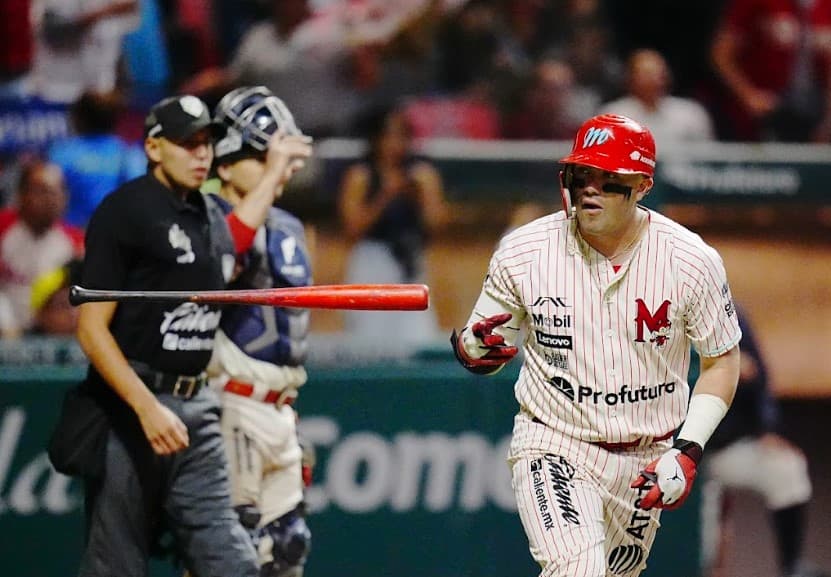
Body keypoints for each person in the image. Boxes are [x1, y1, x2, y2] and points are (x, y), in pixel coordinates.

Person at [450, 113, 742, 577]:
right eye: (581, 175)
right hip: (555, 440)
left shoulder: (691, 260)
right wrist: (473, 348)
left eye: (609, 180)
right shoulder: (524, 251)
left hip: (646, 454)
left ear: (642, 185)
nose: (590, 188)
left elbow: (721, 362)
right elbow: (479, 348)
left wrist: (688, 450)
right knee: (577, 570)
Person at [48, 93, 312, 577]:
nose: (201, 153)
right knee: (118, 563)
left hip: (199, 410)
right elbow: (91, 329)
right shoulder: (125, 211)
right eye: (186, 143)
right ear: (153, 148)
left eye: (206, 142)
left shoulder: (209, 216)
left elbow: (233, 253)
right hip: (134, 405)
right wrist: (146, 407)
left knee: (235, 560)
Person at [205, 85, 314, 577]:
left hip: (279, 406)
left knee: (287, 548)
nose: (280, 168)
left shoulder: (289, 225)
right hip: (228, 402)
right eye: (262, 156)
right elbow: (222, 263)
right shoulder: (202, 216)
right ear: (225, 163)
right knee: (232, 551)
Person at [703, 305, 829, 577]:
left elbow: (758, 376)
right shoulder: (659, 319)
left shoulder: (730, 315)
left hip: (726, 447)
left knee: (785, 467)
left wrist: (766, 428)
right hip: (676, 457)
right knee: (705, 544)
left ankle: (792, 565)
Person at [336, 104, 450, 345]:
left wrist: (424, 194)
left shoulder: (421, 174)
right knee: (368, 337)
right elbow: (352, 229)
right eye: (389, 135)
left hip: (409, 259)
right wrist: (385, 195)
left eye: (402, 136)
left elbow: (437, 225)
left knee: (419, 335)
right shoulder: (362, 175)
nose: (395, 144)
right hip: (371, 260)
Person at [708, 0, 831, 142]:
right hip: (764, 111)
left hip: (814, 105)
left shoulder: (826, 6)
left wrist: (828, 121)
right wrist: (749, 95)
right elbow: (720, 54)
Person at [0, 158, 84, 333]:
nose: (51, 200)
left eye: (57, 191)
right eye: (42, 191)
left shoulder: (77, 244)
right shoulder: (3, 228)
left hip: (50, 343)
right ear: (21, 195)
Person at [46, 89, 145, 228]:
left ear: (79, 118)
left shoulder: (62, 153)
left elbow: (47, 197)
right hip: (108, 236)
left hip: (73, 235)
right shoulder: (131, 154)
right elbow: (140, 201)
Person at [597, 48, 715, 149]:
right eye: (647, 73)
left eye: (659, 73)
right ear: (630, 78)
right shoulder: (612, 115)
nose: (655, 79)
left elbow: (706, 157)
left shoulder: (690, 113)